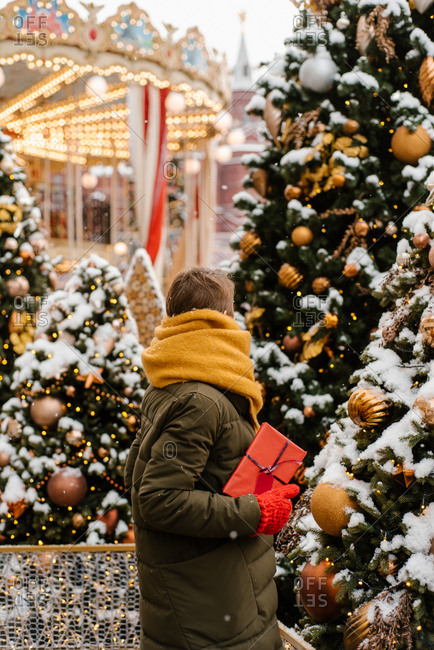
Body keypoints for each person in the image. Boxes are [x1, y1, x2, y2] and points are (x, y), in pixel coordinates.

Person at [124, 266, 299, 650]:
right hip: (210, 601)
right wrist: (255, 511)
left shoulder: (173, 381)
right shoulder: (201, 399)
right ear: (221, 318)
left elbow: (137, 473)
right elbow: (157, 499)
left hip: (214, 587)